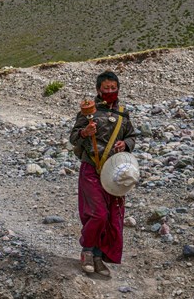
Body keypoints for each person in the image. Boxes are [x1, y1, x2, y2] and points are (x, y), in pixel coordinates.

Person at [69, 70, 136, 277]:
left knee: (110, 217)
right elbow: (73, 137)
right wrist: (84, 133)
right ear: (98, 89)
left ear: (118, 89)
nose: (110, 91)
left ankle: (98, 257)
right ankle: (87, 251)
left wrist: (125, 144)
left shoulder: (123, 113)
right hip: (91, 167)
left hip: (114, 172)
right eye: (106, 88)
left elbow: (132, 136)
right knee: (98, 213)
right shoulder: (88, 111)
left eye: (113, 88)